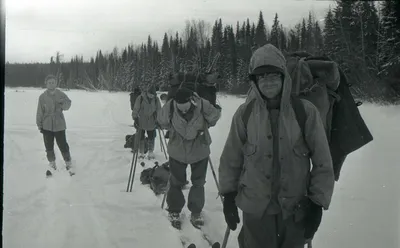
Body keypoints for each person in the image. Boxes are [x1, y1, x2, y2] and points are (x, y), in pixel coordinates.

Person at [218, 44, 335, 248]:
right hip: (255, 211)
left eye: (273, 75)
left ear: (284, 77)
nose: (268, 82)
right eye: (262, 77)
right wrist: (228, 195)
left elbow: (322, 161)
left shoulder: (305, 112)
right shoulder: (244, 114)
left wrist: (317, 204)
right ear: (254, 82)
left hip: (295, 211)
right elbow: (231, 158)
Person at [157, 87, 221, 229]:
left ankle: (196, 212)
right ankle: (174, 210)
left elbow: (215, 117)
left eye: (186, 108)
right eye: (181, 109)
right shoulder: (171, 106)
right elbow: (162, 121)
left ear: (191, 101)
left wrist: (207, 107)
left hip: (199, 150)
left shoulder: (202, 104)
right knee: (175, 182)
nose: (184, 111)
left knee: (198, 182)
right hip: (177, 151)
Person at [36, 74, 73, 171]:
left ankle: (68, 162)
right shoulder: (42, 97)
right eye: (49, 83)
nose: (51, 84)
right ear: (46, 84)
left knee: (63, 144)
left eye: (53, 82)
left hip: (59, 124)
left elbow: (68, 106)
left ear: (56, 83)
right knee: (48, 146)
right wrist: (39, 125)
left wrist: (63, 103)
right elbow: (39, 112)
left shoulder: (61, 94)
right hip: (47, 125)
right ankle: (52, 163)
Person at [131, 85, 161, 159]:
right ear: (147, 92)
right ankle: (141, 152)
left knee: (152, 136)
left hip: (152, 121)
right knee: (141, 137)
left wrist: (159, 120)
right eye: (150, 94)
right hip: (141, 120)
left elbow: (159, 110)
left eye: (153, 94)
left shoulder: (156, 99)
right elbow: (136, 108)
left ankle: (151, 152)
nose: (151, 96)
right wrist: (135, 117)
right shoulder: (140, 98)